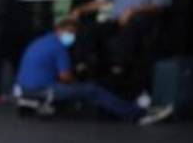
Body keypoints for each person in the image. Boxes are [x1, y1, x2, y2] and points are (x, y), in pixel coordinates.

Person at [15, 16, 172, 125]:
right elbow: (65, 77)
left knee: (83, 89)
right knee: (92, 90)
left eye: (73, 34)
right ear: (59, 30)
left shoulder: (40, 41)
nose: (71, 37)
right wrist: (78, 82)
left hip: (24, 88)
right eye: (69, 33)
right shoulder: (59, 48)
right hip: (44, 89)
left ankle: (131, 109)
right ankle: (138, 114)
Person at [73, 0, 171, 92]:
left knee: (130, 30)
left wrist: (133, 10)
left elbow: (161, 3)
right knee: (90, 30)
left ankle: (119, 69)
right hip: (117, 19)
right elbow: (105, 0)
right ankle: (83, 66)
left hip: (141, 20)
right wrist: (81, 9)